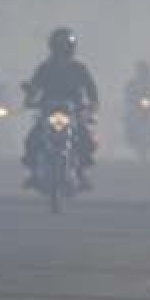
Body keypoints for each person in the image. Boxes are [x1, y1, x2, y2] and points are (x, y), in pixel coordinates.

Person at [21, 27, 99, 189]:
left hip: (73, 112)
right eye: (59, 47)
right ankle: (35, 172)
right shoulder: (45, 68)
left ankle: (80, 172)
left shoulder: (79, 69)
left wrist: (92, 104)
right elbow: (34, 87)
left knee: (86, 138)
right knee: (33, 139)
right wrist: (29, 98)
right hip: (48, 111)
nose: (62, 52)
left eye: (65, 48)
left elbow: (91, 89)